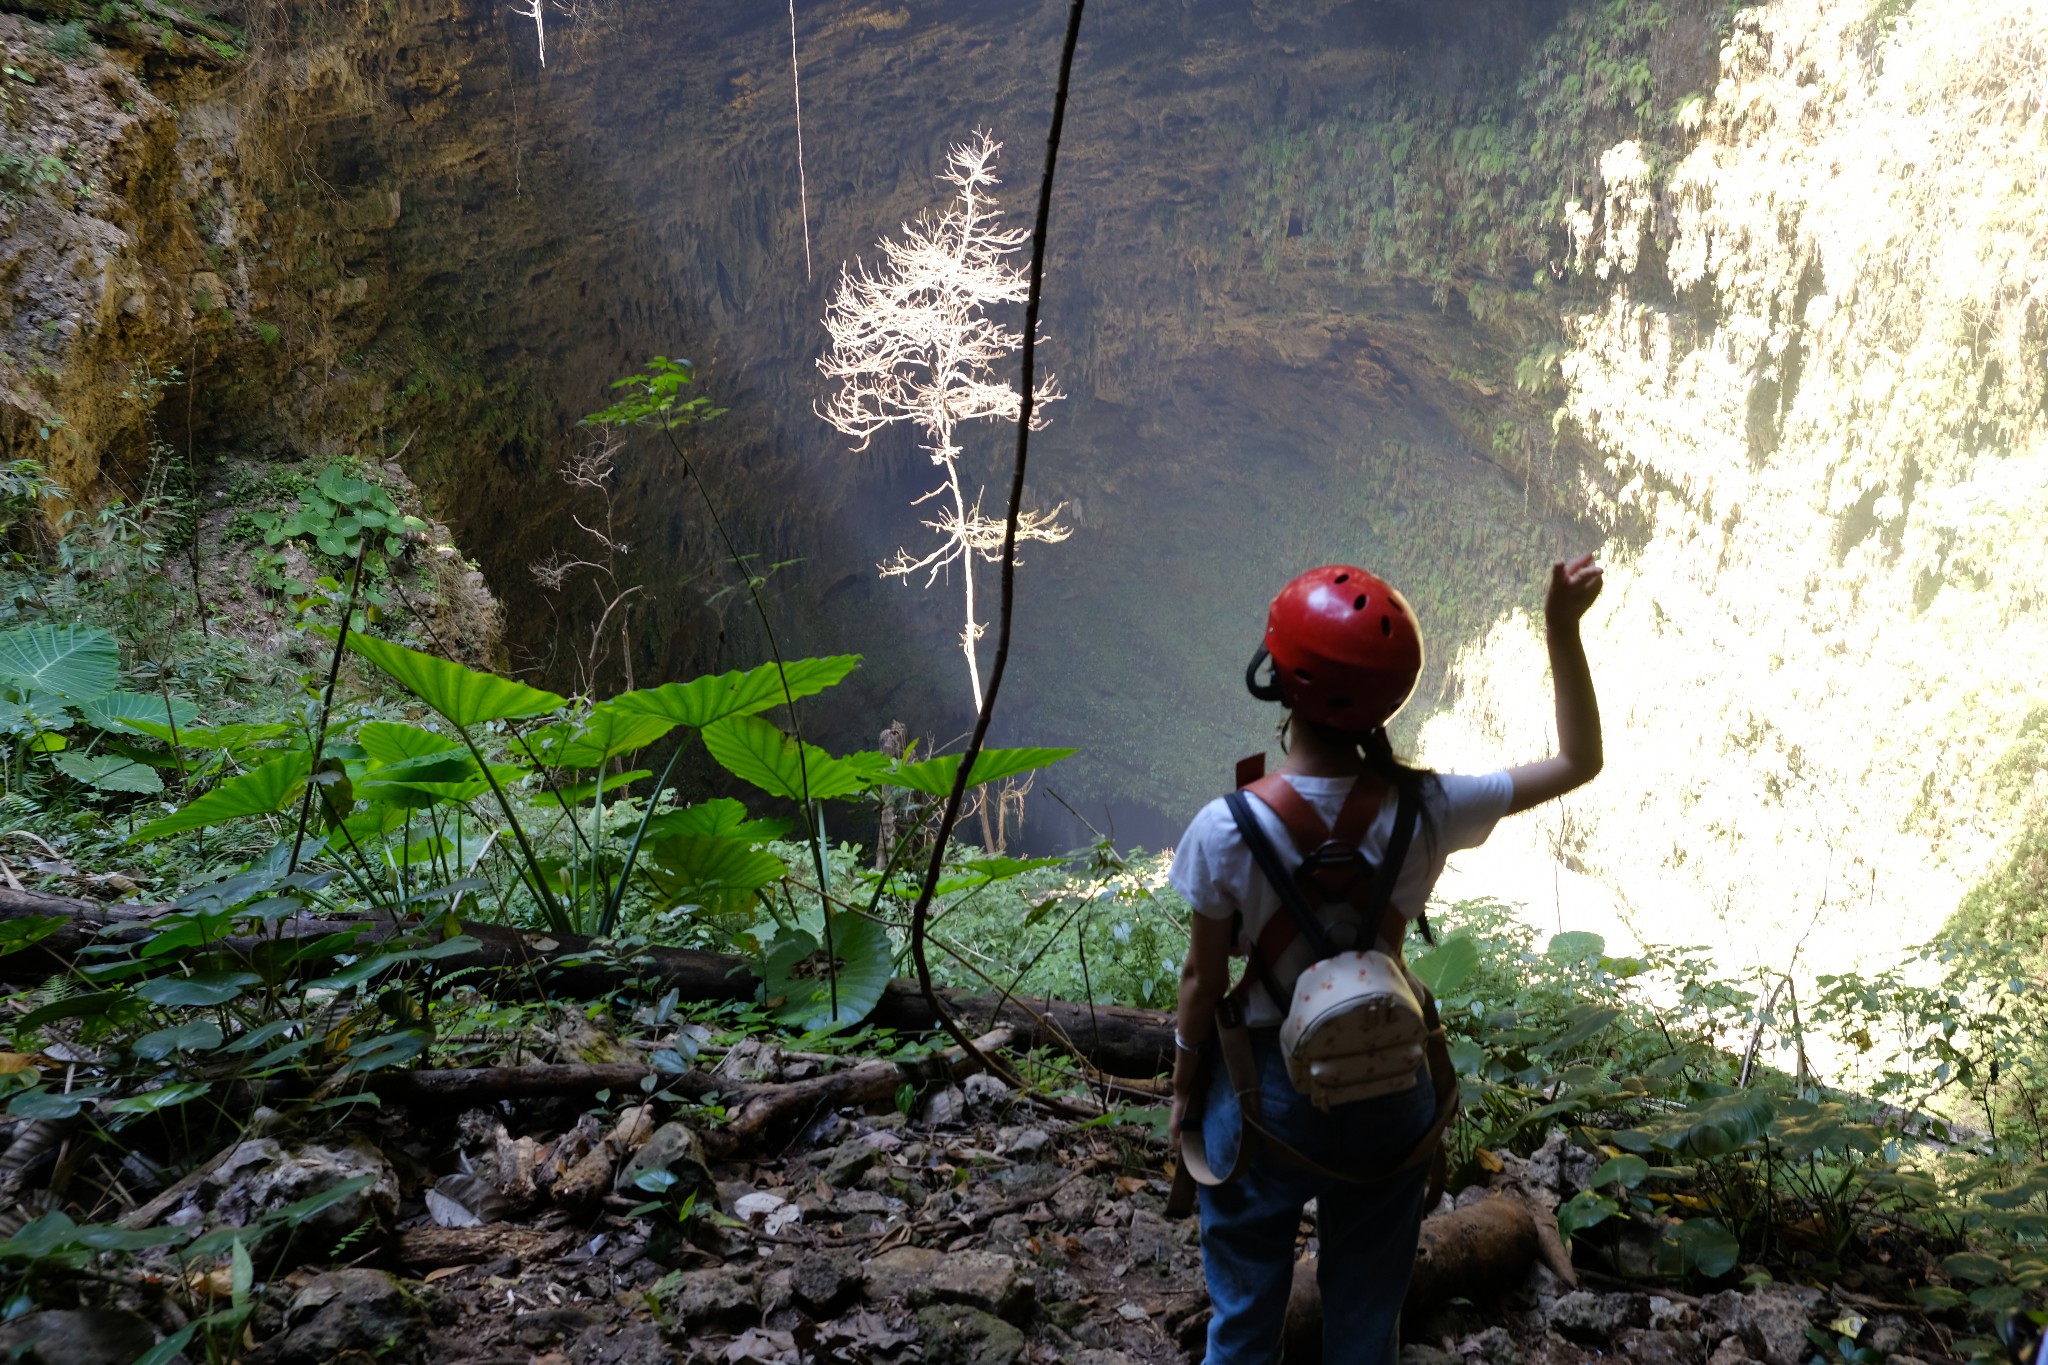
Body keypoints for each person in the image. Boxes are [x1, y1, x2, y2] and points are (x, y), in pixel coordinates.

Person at [1168, 555, 1606, 1365]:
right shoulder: (1429, 807)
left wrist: (1187, 1086)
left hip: (1264, 1101)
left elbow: (1203, 981)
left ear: (1280, 683)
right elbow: (1579, 761)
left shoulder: (1224, 830)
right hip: (1388, 1085)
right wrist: (1561, 627)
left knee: (1242, 1322)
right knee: (1367, 1328)